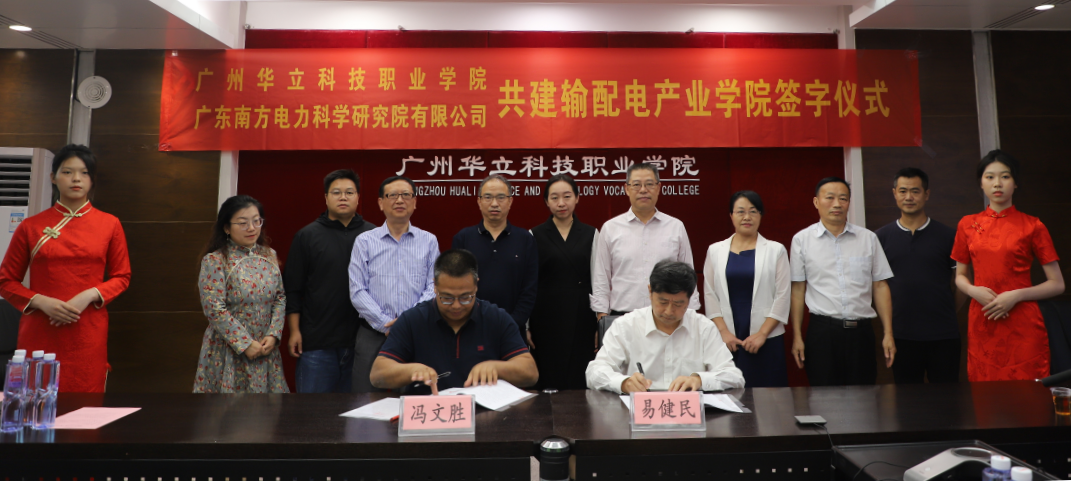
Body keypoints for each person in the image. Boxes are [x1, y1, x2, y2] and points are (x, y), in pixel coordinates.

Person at [0, 144, 130, 393]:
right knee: (37, 401)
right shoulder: (31, 226)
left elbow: (122, 276)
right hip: (41, 326)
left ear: (92, 179)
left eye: (84, 173)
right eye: (68, 172)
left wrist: (89, 295)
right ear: (53, 177)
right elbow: (6, 281)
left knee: (85, 401)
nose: (76, 179)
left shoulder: (110, 224)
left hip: (87, 327)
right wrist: (41, 301)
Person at [953, 150, 1064, 382]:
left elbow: (1057, 284)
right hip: (983, 316)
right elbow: (960, 275)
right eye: (990, 177)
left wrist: (1016, 295)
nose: (997, 183)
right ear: (981, 183)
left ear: (1015, 183)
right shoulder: (967, 224)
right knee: (986, 393)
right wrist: (973, 290)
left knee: (1028, 393)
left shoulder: (1033, 226)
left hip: (1022, 320)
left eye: (1005, 176)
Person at [369, 249, 538, 394]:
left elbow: (530, 373)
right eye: (447, 298)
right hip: (428, 413)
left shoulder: (496, 318)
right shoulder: (413, 320)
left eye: (466, 297)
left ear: (476, 285)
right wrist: (411, 370)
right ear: (435, 286)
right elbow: (377, 375)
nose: (456, 306)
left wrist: (496, 367)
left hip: (484, 413)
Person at [790, 177, 895, 386]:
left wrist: (888, 333)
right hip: (822, 333)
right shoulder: (802, 240)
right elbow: (798, 290)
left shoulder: (868, 238)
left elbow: (880, 286)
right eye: (830, 198)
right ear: (816, 202)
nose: (837, 204)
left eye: (843, 198)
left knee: (864, 396)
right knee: (823, 397)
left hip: (861, 333)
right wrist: (797, 336)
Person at [586, 260, 744, 393]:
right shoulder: (626, 326)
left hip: (688, 413)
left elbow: (734, 376)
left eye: (678, 304)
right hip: (641, 412)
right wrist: (624, 383)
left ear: (690, 299)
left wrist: (700, 380)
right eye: (662, 302)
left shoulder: (703, 328)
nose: (669, 311)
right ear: (650, 291)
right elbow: (594, 372)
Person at [284, 169, 375, 393]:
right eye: (336, 192)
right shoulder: (307, 236)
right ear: (326, 197)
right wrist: (294, 331)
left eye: (349, 192)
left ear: (358, 197)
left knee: (359, 412)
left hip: (362, 343)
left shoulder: (373, 235)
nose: (343, 197)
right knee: (313, 412)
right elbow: (293, 289)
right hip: (317, 343)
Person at [349, 176, 438, 392]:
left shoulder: (429, 241)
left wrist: (408, 321)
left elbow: (434, 286)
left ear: (414, 202)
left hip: (416, 333)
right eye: (392, 195)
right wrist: (385, 323)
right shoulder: (364, 241)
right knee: (365, 397)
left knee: (414, 396)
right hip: (373, 332)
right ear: (381, 203)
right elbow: (357, 289)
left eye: (406, 195)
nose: (399, 200)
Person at [193, 195, 288, 393]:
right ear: (227, 228)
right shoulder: (215, 260)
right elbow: (214, 309)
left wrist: (273, 334)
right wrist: (245, 343)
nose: (251, 228)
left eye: (256, 221)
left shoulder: (269, 255)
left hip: (264, 348)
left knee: (268, 409)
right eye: (243, 223)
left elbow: (280, 297)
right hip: (229, 350)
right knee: (229, 409)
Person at [875, 168, 961, 384]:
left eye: (915, 191)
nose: (909, 197)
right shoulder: (880, 237)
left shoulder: (948, 235)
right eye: (903, 191)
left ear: (926, 194)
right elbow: (878, 286)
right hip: (901, 335)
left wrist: (948, 309)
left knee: (946, 398)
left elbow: (963, 283)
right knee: (906, 399)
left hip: (943, 334)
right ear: (894, 193)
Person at [592, 163, 700, 323]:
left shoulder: (675, 226)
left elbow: (688, 276)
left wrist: (691, 315)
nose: (643, 190)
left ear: (658, 188)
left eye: (649, 184)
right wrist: (602, 317)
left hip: (668, 317)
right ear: (627, 189)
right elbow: (601, 278)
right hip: (622, 318)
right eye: (636, 184)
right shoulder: (610, 228)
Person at [703, 191, 790, 388]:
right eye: (740, 211)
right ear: (731, 215)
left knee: (769, 398)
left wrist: (762, 334)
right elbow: (709, 294)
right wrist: (723, 332)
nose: (747, 217)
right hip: (727, 339)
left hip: (767, 338)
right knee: (728, 395)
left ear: (761, 215)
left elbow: (783, 295)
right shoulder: (715, 250)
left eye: (753, 211)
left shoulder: (776, 250)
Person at [529, 174, 599, 390]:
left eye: (567, 196)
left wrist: (599, 322)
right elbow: (530, 283)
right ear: (546, 201)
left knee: (579, 377)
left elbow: (598, 281)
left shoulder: (591, 233)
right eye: (555, 197)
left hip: (582, 315)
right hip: (545, 316)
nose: (561, 203)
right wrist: (527, 325)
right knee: (548, 377)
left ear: (577, 198)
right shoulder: (534, 234)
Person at [451, 175, 538, 333]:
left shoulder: (525, 239)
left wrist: (512, 323)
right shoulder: (463, 238)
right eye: (488, 197)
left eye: (501, 197)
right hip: (470, 328)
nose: (494, 204)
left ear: (510, 201)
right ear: (479, 201)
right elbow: (456, 285)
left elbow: (529, 288)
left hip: (513, 330)